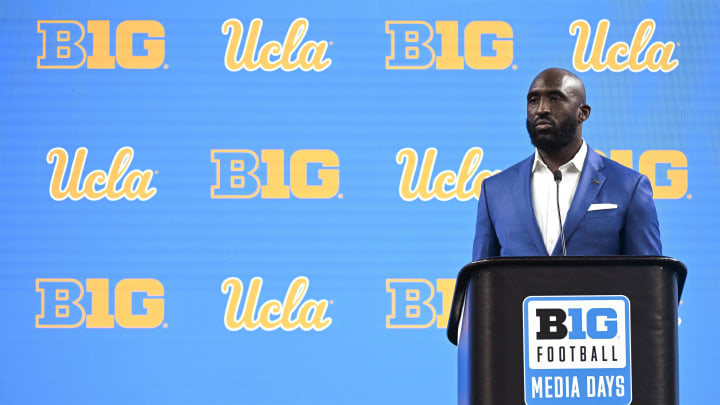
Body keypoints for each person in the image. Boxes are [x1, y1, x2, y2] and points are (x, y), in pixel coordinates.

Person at [472, 68, 661, 260]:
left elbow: (649, 280)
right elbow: (481, 281)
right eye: (533, 100)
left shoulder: (629, 187)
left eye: (555, 99)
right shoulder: (494, 190)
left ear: (583, 113)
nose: (541, 109)